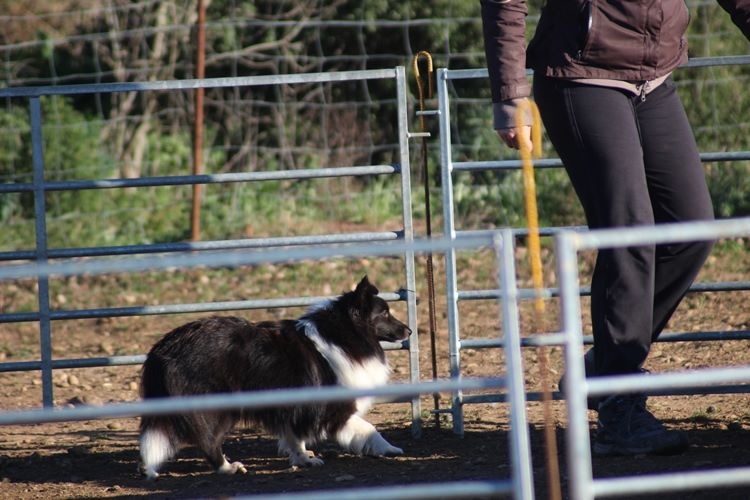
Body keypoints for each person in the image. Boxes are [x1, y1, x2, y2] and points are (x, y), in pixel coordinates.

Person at [480, 0, 750, 456]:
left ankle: (604, 366)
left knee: (692, 228)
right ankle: (618, 406)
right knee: (629, 233)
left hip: (654, 77)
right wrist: (510, 93)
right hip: (580, 74)